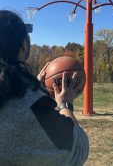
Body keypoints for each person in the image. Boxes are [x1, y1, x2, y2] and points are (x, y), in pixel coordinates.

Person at [0, 10, 89, 166]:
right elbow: (78, 151)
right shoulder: (32, 106)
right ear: (25, 45)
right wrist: (65, 104)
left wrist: (32, 86)